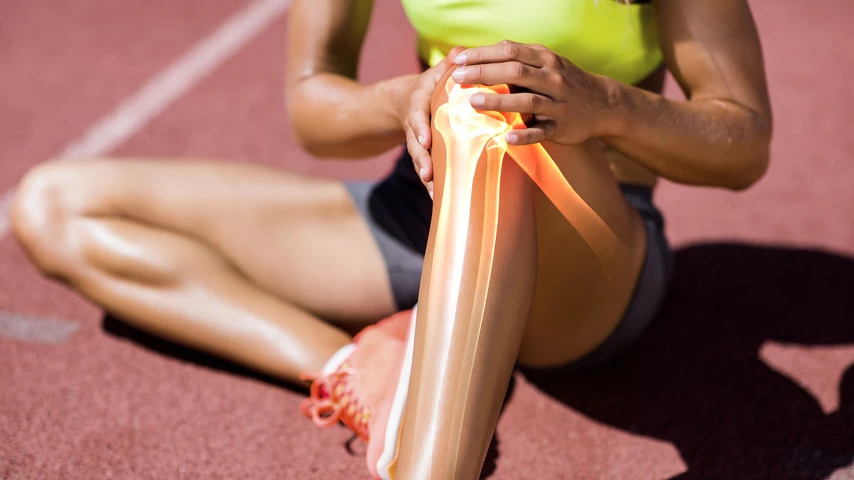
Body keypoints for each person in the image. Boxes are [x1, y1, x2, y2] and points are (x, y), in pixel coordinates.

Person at [10, 0, 771, 477]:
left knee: (490, 108)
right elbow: (313, 107)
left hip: (585, 253)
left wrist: (604, 104)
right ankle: (362, 369)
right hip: (421, 211)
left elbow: (744, 141)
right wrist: (408, 96)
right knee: (54, 206)